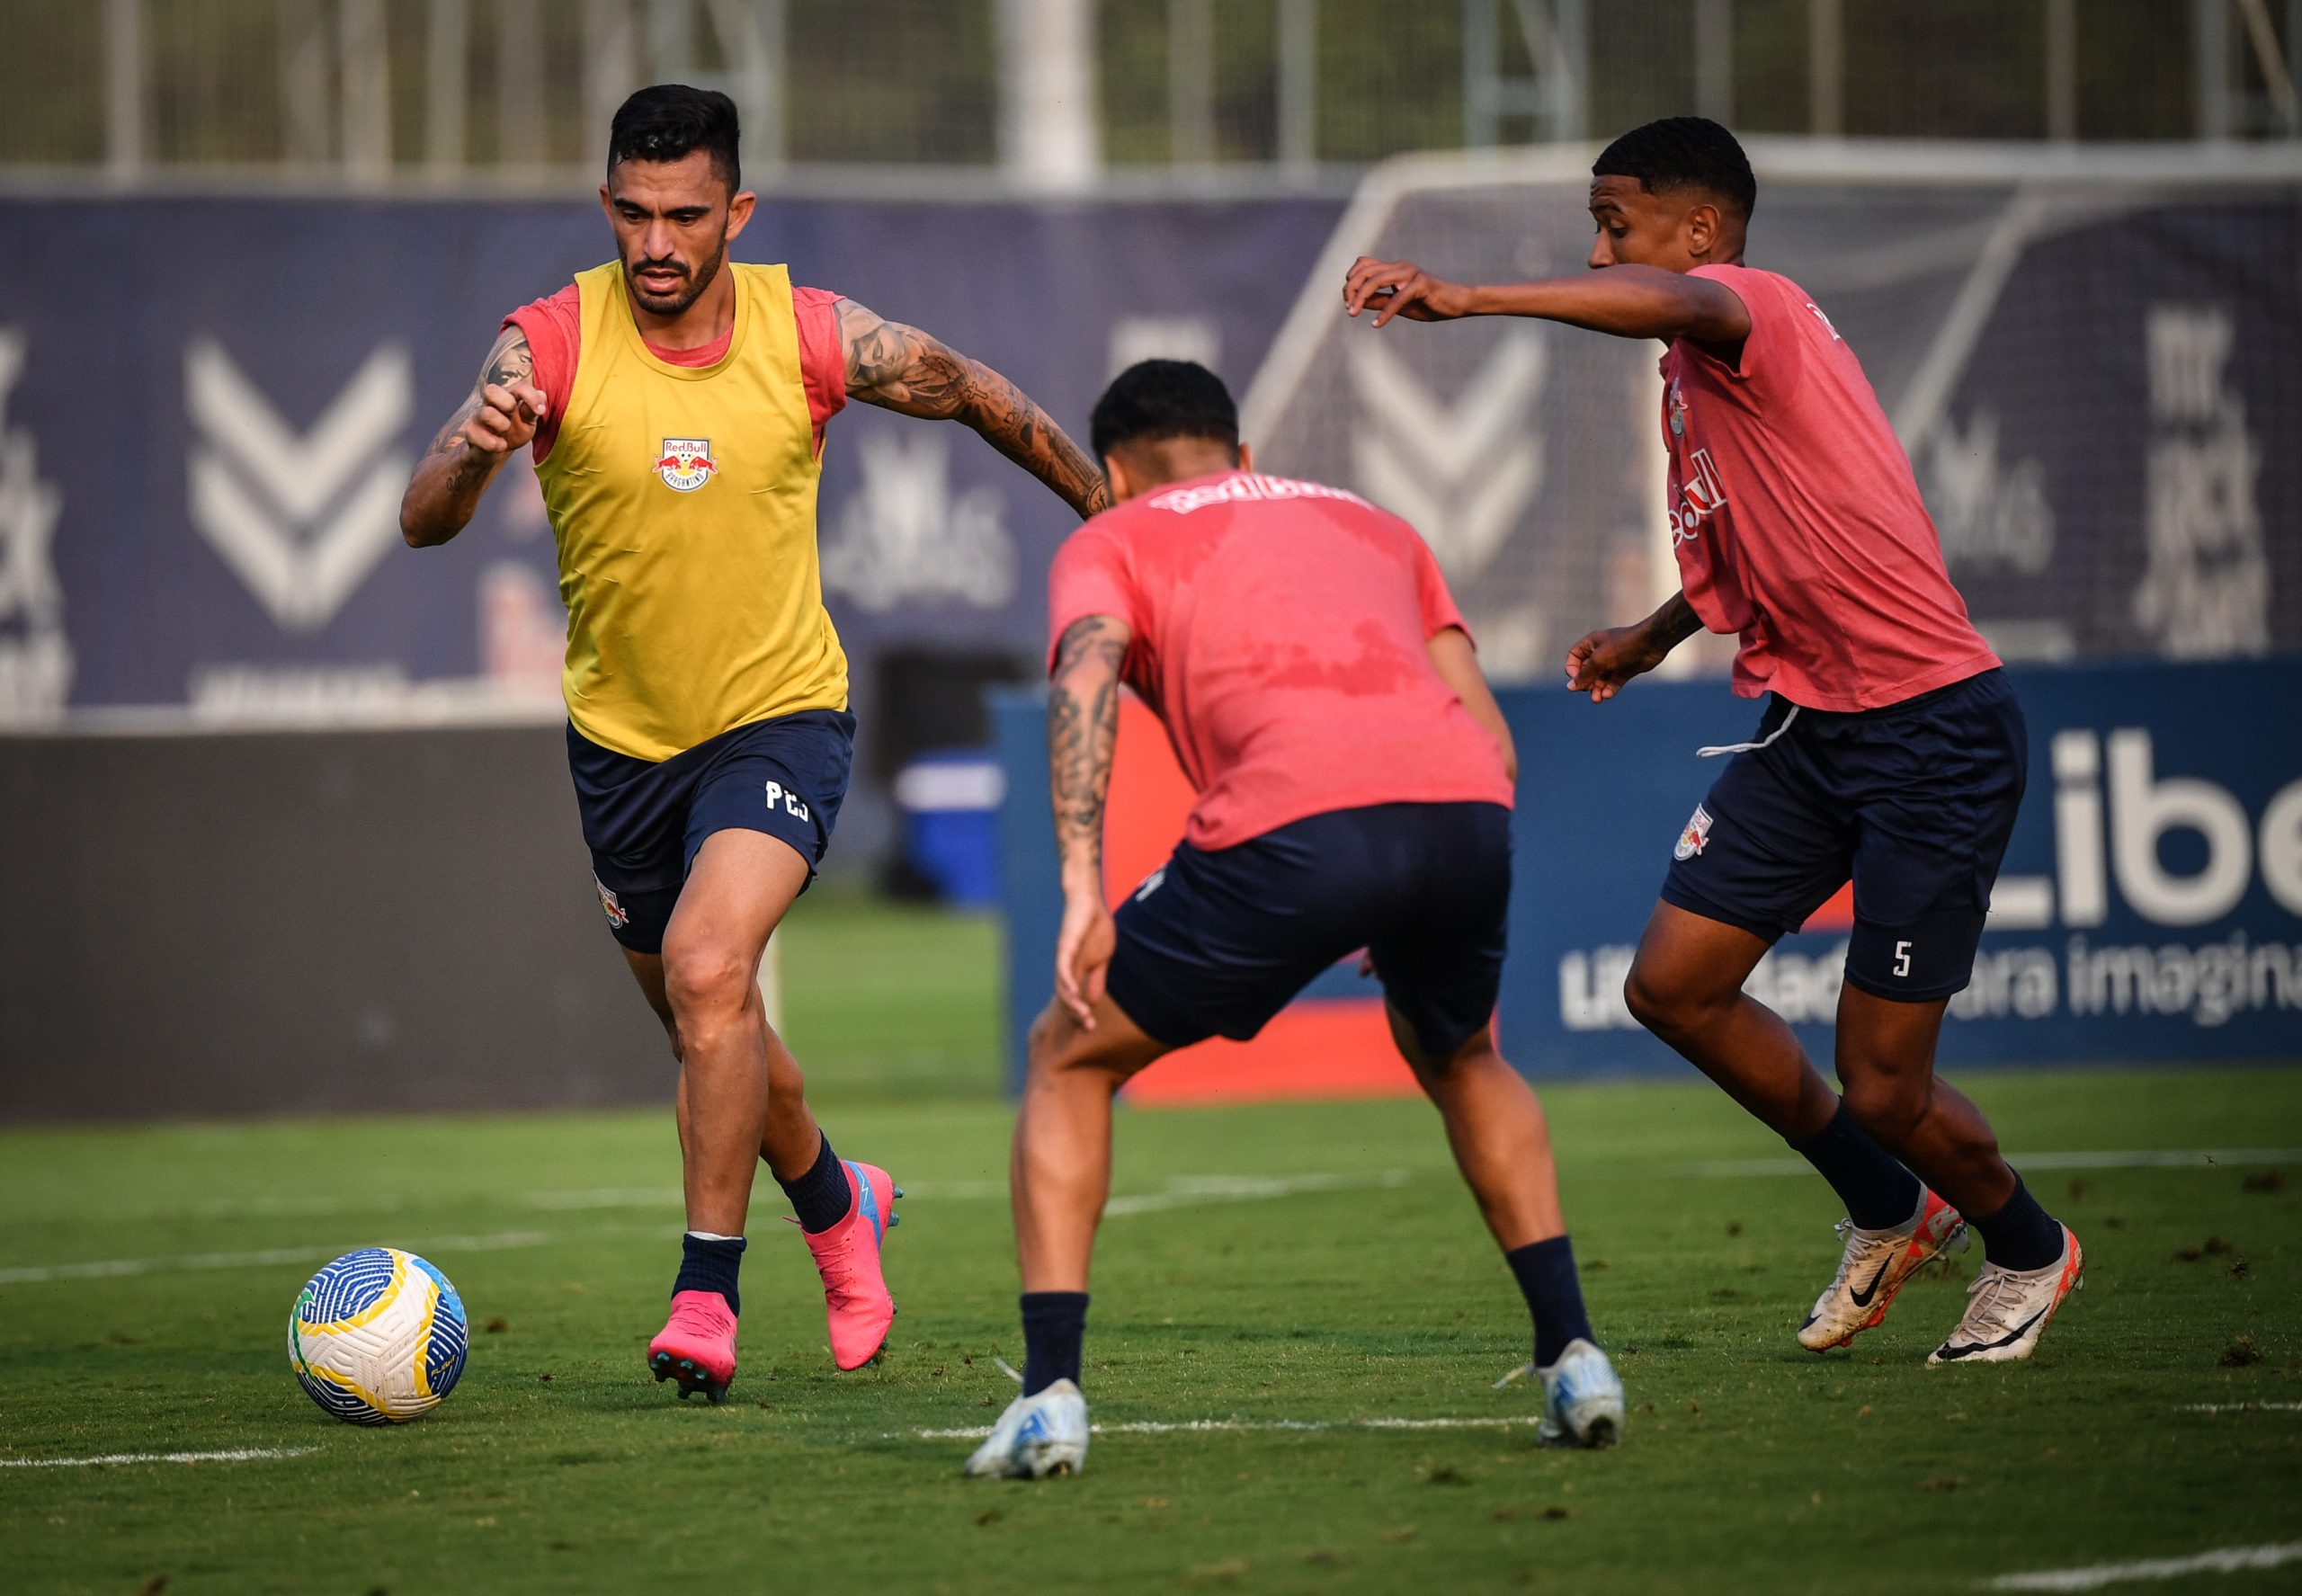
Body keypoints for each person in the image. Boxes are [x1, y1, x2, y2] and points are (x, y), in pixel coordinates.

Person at [399, 85, 1108, 1403]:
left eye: (683, 216)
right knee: (708, 1021)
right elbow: (422, 516)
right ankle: (845, 1207)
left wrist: (1110, 515)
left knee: (713, 968)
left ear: (737, 212)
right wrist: (471, 455)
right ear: (608, 204)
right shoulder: (543, 344)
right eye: (632, 213)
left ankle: (706, 1295)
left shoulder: (809, 332)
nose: (655, 243)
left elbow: (970, 392)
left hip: (778, 717)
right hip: (620, 750)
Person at [1342, 117, 2082, 1368]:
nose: (1598, 246)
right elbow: (1760, 528)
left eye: (1614, 223)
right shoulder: (1698, 363)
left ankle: (2025, 1242)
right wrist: (1653, 630)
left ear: (1698, 230)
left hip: (1931, 730)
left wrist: (1465, 296)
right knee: (1672, 989)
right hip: (1808, 722)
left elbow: (1666, 296)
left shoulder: (1746, 303)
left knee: (1889, 1084)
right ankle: (1891, 1203)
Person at [964, 360, 1622, 1480]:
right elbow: (1492, 740)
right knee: (1462, 1052)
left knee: (1067, 1054)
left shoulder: (1111, 534)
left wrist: (1082, 879)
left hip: (1291, 833)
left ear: (1114, 471)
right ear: (1243, 454)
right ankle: (1576, 1359)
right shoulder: (1377, 522)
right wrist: (1404, 877)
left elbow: (1083, 680)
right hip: (1460, 813)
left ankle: (1049, 1397)